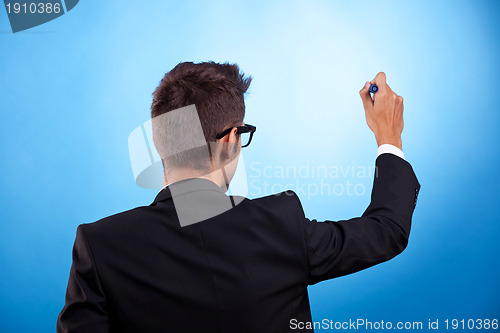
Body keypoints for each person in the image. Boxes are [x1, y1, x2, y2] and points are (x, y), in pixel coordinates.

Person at [56, 61, 420, 333]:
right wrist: (388, 136)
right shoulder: (281, 224)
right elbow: (386, 229)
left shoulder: (100, 246)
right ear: (231, 140)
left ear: (159, 142)